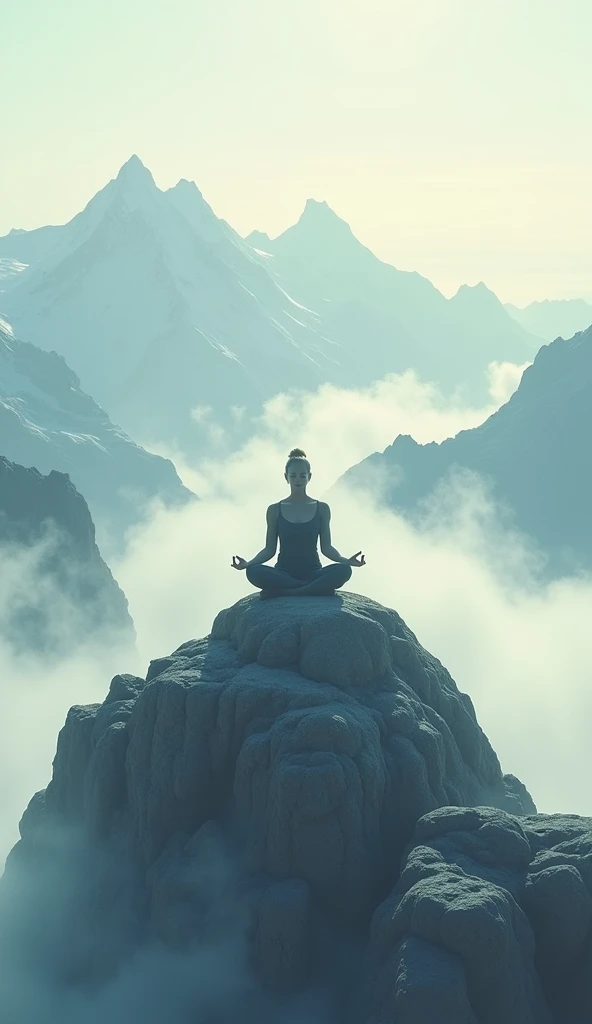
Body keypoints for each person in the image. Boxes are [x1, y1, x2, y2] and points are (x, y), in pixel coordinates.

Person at [231, 448, 365, 598]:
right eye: (293, 476)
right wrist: (248, 564)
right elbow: (269, 549)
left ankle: (288, 592)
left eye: (302, 476)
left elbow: (326, 548)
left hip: (313, 573)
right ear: (286, 477)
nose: (298, 480)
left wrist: (346, 561)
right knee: (253, 572)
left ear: (310, 477)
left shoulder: (322, 508)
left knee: (344, 570)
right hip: (283, 573)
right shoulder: (275, 510)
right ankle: (312, 589)